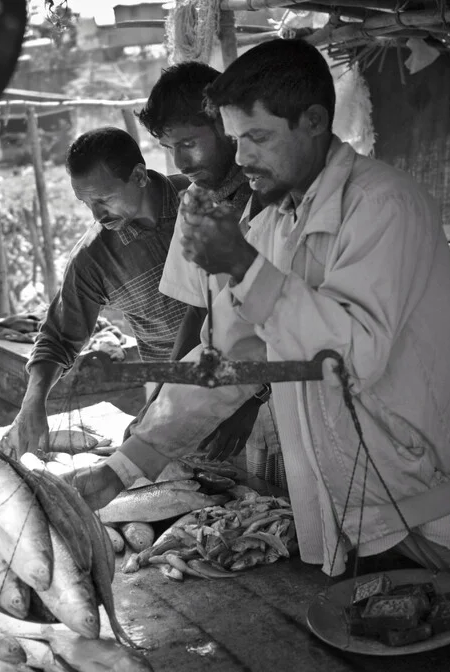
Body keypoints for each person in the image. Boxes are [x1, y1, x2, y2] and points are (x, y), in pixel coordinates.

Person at [70, 39, 450, 617]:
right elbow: (226, 361)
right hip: (360, 511)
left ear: (313, 121)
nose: (243, 158)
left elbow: (353, 356)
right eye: (236, 140)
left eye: (258, 138)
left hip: (442, 509)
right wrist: (123, 467)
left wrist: (242, 266)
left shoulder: (384, 203)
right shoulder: (274, 226)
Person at [5, 127, 191, 456]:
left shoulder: (201, 199)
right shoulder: (94, 259)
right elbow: (58, 337)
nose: (96, 214)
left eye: (104, 199)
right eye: (86, 202)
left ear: (138, 176)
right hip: (178, 405)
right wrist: (32, 405)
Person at [130, 60, 270, 468]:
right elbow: (197, 310)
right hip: (225, 401)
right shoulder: (195, 203)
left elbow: (297, 321)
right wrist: (161, 404)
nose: (180, 163)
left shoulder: (274, 195)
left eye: (190, 142)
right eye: (170, 148)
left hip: (287, 395)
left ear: (227, 125)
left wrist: (254, 400)